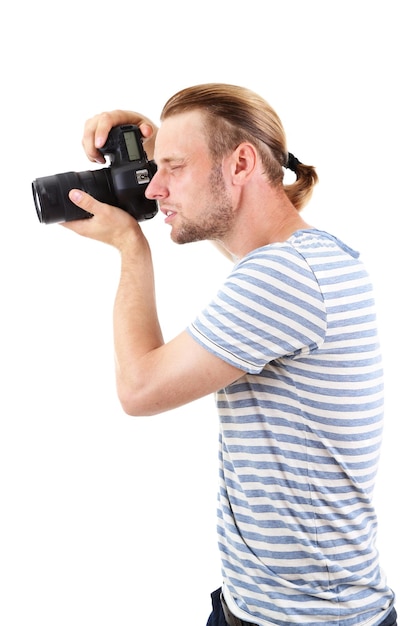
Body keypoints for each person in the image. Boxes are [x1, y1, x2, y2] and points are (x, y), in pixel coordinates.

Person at [63, 84, 397, 626]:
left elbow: (139, 389)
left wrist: (130, 248)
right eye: (157, 168)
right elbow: (237, 238)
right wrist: (154, 147)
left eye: (173, 167)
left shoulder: (283, 277)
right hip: (260, 605)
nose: (154, 190)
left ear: (241, 163)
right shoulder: (307, 259)